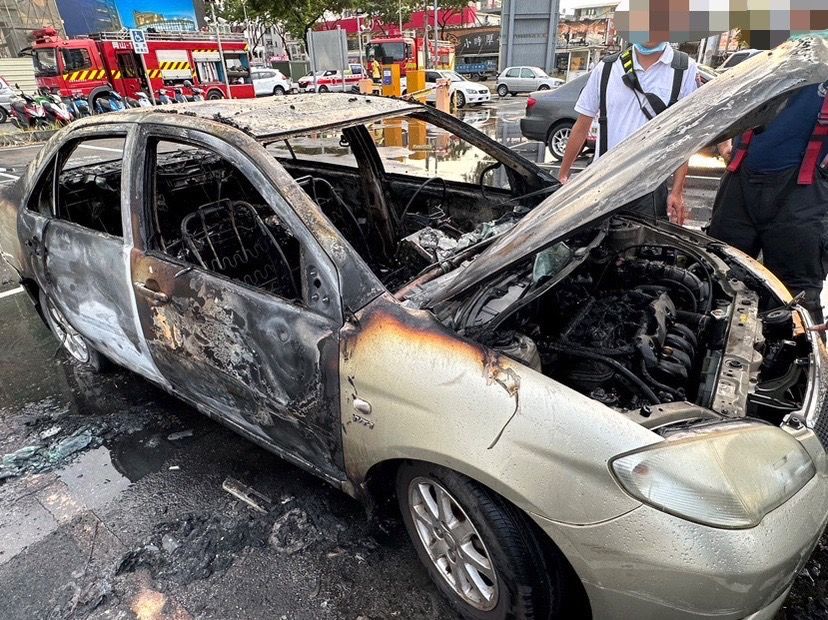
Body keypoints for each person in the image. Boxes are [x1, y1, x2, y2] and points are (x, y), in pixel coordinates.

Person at [708, 83, 828, 324]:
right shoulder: (767, 62)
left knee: (796, 302)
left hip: (803, 194)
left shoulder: (821, 60)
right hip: (740, 183)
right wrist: (723, 142)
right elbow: (725, 108)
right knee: (717, 277)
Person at [558, 41, 698, 222]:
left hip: (649, 187)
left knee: (641, 247)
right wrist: (563, 174)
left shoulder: (684, 68)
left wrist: (677, 191)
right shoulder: (607, 67)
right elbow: (582, 124)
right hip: (602, 183)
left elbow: (684, 136)